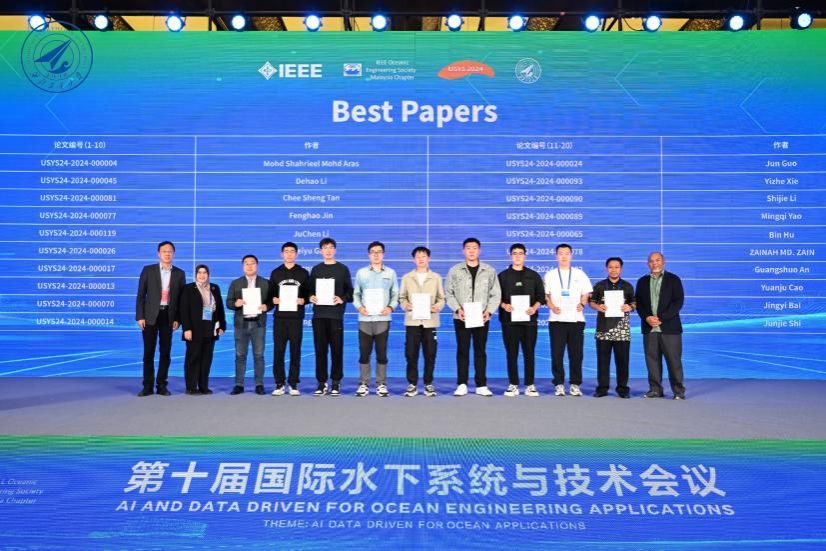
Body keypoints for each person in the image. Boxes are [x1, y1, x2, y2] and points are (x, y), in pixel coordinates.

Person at [445, 237, 501, 397]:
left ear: (479, 250)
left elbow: (496, 294)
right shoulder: (455, 270)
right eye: (468, 248)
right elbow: (448, 293)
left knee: (480, 351)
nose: (471, 251)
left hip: (482, 317)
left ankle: (481, 385)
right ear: (463, 251)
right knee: (462, 350)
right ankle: (462, 384)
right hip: (461, 317)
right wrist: (458, 309)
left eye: (474, 248)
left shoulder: (489, 270)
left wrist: (489, 311)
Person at [135, 240, 185, 397]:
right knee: (148, 353)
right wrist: (140, 316)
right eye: (164, 251)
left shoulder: (179, 273)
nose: (167, 254)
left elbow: (181, 299)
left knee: (165, 352)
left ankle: (162, 385)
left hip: (168, 316)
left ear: (173, 254)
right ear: (158, 253)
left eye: (170, 251)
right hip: (149, 316)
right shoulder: (148, 270)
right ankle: (147, 386)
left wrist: (178, 318)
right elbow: (141, 295)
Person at [635, 251, 686, 400]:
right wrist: (647, 317)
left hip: (670, 328)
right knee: (652, 361)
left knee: (674, 361)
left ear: (664, 262)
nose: (654, 263)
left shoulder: (674, 279)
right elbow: (639, 304)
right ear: (648, 264)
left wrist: (661, 318)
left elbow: (678, 302)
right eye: (651, 261)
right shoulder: (642, 281)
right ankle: (655, 390)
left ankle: (678, 391)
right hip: (649, 327)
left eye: (657, 260)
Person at [544, 243, 593, 397]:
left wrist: (582, 304)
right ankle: (558, 384)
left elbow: (586, 293)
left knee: (576, 354)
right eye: (561, 253)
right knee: (557, 353)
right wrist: (552, 307)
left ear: (571, 255)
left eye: (566, 253)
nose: (564, 256)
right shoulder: (550, 275)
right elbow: (546, 295)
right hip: (556, 320)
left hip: (576, 320)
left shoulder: (580, 274)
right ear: (556, 256)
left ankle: (575, 384)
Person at [498, 244, 545, 397]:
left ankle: (530, 385)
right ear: (510, 256)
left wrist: (534, 308)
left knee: (529, 353)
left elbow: (541, 297)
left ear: (525, 255)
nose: (517, 256)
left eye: (520, 253)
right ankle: (513, 384)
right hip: (509, 322)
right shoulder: (502, 276)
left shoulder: (534, 275)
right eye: (514, 253)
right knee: (511, 354)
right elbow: (495, 297)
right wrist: (504, 305)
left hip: (529, 322)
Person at [353, 241, 399, 397]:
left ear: (383, 254)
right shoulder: (361, 273)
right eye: (373, 252)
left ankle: (381, 384)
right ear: (369, 255)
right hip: (365, 319)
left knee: (381, 353)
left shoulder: (391, 273)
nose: (376, 254)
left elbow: (395, 294)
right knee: (364, 353)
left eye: (379, 251)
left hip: (383, 319)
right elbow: (356, 294)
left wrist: (390, 307)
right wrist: (360, 307)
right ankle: (364, 383)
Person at [309, 237, 354, 396]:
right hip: (319, 316)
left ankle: (336, 382)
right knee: (320, 350)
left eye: (330, 247)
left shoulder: (343, 269)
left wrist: (342, 298)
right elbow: (309, 290)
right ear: (320, 251)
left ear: (335, 250)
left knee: (337, 350)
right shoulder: (316, 270)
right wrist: (311, 297)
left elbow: (351, 292)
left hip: (336, 316)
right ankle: (321, 383)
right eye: (325, 248)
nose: (328, 251)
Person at [398, 246, 445, 397]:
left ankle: (428, 383)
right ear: (413, 259)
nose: (421, 259)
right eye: (418, 256)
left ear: (428, 258)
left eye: (423, 256)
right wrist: (406, 305)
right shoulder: (407, 277)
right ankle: (412, 383)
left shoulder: (436, 277)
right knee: (411, 353)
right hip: (412, 321)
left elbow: (442, 298)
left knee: (430, 353)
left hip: (430, 322)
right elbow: (401, 297)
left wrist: (437, 307)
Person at [267, 242, 310, 396]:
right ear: (282, 254)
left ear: (296, 254)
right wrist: (273, 300)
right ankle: (279, 383)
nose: (289, 254)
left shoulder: (303, 273)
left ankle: (293, 383)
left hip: (296, 318)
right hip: (280, 318)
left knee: (295, 351)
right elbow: (270, 295)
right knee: (278, 351)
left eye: (292, 251)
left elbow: (309, 294)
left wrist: (304, 300)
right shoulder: (276, 273)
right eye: (286, 251)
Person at [589, 257, 635, 398]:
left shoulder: (627, 286)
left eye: (616, 267)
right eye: (610, 267)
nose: (613, 270)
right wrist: (598, 307)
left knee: (623, 361)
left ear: (621, 269)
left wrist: (630, 307)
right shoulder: (599, 286)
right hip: (603, 329)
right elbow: (591, 302)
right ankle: (602, 388)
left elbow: (634, 303)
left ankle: (623, 388)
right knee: (603, 361)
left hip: (622, 329)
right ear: (606, 268)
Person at [226, 255, 270, 395]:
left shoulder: (266, 283)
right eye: (246, 263)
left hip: (258, 324)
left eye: (252, 263)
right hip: (241, 324)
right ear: (243, 266)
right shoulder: (235, 283)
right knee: (240, 355)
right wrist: (236, 304)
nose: (249, 266)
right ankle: (239, 385)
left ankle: (259, 384)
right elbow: (228, 302)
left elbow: (271, 301)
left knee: (259, 355)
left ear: (257, 265)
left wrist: (267, 306)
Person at [179, 264, 226, 395]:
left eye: (204, 272)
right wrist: (186, 328)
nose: (202, 275)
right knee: (193, 358)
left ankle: (203, 386)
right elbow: (184, 310)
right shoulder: (188, 288)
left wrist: (222, 325)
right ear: (195, 275)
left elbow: (220, 309)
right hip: (194, 329)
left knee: (206, 359)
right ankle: (191, 387)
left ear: (208, 275)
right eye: (199, 272)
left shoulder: (214, 288)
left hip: (210, 328)